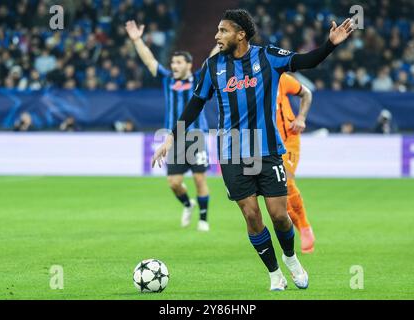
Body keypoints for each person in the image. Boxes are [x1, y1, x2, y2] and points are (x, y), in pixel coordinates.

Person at [152, 9, 354, 291]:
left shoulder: (267, 56)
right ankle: (275, 274)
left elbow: (305, 60)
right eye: (217, 30)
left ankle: (292, 260)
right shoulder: (212, 67)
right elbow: (194, 105)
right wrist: (172, 138)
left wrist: (330, 44)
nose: (216, 36)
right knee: (251, 215)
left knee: (279, 216)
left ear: (241, 34)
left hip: (267, 147)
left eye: (223, 31)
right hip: (232, 152)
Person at [125, 20, 219, 232]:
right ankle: (188, 204)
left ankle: (203, 219)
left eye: (178, 63)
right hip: (173, 139)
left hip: (197, 136)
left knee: (199, 178)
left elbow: (214, 56)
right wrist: (137, 40)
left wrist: (223, 39)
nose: (174, 66)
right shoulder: (167, 79)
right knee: (174, 183)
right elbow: (150, 61)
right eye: (173, 63)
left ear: (188, 64)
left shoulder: (198, 78)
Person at [275, 73, 315, 254]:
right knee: (277, 197)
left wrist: (301, 118)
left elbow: (306, 93)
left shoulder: (281, 79)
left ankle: (305, 226)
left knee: (286, 182)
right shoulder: (247, 84)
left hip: (288, 139)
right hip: (266, 146)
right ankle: (301, 228)